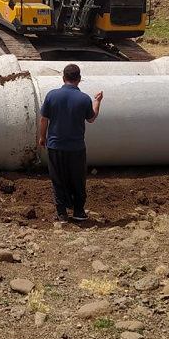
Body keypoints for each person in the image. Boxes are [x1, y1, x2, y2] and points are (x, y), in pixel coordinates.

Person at [38, 63, 103, 223]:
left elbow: (44, 119)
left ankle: (61, 214)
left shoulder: (52, 95)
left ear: (63, 78)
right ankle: (79, 211)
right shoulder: (84, 98)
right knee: (77, 179)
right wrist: (97, 102)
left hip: (55, 146)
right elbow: (91, 118)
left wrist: (42, 137)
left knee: (58, 178)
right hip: (76, 148)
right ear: (79, 79)